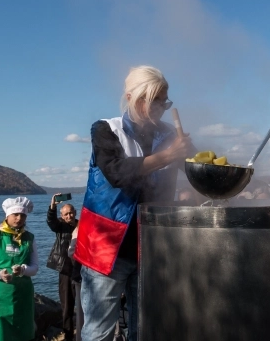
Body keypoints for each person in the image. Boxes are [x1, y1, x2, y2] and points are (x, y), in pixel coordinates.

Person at [74, 65, 194, 341]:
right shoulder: (106, 130)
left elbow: (197, 170)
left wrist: (225, 178)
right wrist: (168, 156)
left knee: (147, 328)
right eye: (155, 100)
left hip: (152, 246)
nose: (162, 107)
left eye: (165, 100)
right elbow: (117, 173)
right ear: (133, 98)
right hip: (105, 247)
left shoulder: (170, 135)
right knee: (98, 332)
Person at [0, 197, 39, 341]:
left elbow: (35, 268)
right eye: (15, 215)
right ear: (7, 216)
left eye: (22, 215)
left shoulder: (29, 238)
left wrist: (23, 270)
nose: (19, 218)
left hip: (22, 296)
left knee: (21, 334)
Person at [46, 194, 79, 340]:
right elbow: (51, 221)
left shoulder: (81, 225)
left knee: (84, 303)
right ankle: (68, 335)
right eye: (66, 214)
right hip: (66, 270)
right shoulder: (60, 226)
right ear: (62, 215)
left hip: (81, 269)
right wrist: (53, 206)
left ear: (75, 212)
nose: (69, 216)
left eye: (71, 212)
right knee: (67, 305)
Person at [67, 224, 84, 341]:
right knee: (82, 313)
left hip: (103, 274)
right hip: (82, 274)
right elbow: (71, 252)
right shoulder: (79, 229)